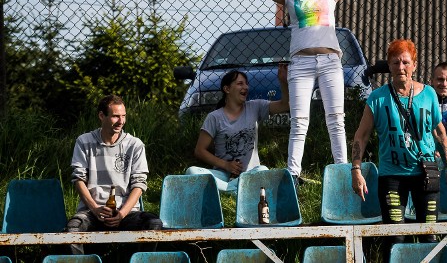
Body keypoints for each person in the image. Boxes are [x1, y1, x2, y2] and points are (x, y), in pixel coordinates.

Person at [199, 0, 419, 182]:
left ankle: (342, 171)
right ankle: (293, 173)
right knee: (299, 120)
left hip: (330, 62)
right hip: (301, 64)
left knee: (335, 118)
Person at [351, 39, 447, 263]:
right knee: (395, 238)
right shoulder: (377, 98)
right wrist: (356, 170)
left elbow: (439, 133)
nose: (401, 67)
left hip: (426, 174)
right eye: (395, 63)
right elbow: (361, 135)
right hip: (392, 177)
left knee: (429, 235)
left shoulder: (429, 94)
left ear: (414, 65)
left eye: (405, 62)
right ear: (388, 66)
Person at [65, 95, 163, 255]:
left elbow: (139, 184)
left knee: (154, 223)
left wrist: (122, 213)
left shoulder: (135, 144)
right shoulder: (84, 142)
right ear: (101, 116)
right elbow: (78, 179)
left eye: (123, 116)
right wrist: (95, 209)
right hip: (93, 212)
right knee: (73, 228)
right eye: (115, 116)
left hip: (126, 213)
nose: (121, 121)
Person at [185, 65, 290, 192]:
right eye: (240, 83)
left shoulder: (255, 107)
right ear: (227, 89)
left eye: (246, 84)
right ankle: (237, 190)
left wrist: (283, 81)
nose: (245, 87)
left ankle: (226, 190)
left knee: (263, 170)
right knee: (192, 171)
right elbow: (200, 151)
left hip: (251, 173)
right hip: (223, 175)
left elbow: (285, 105)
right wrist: (226, 165)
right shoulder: (214, 117)